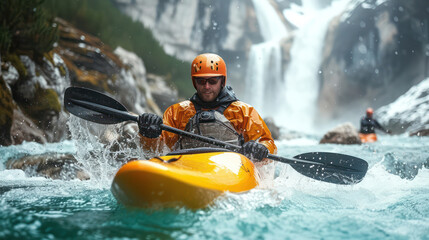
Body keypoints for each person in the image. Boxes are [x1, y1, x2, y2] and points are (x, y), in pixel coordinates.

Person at [137, 53, 277, 163]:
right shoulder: (177, 112)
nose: (207, 86)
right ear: (194, 83)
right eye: (201, 81)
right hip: (187, 165)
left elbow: (267, 143)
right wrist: (149, 134)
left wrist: (261, 148)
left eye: (212, 81)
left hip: (230, 168)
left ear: (222, 81)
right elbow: (155, 150)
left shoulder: (243, 112)